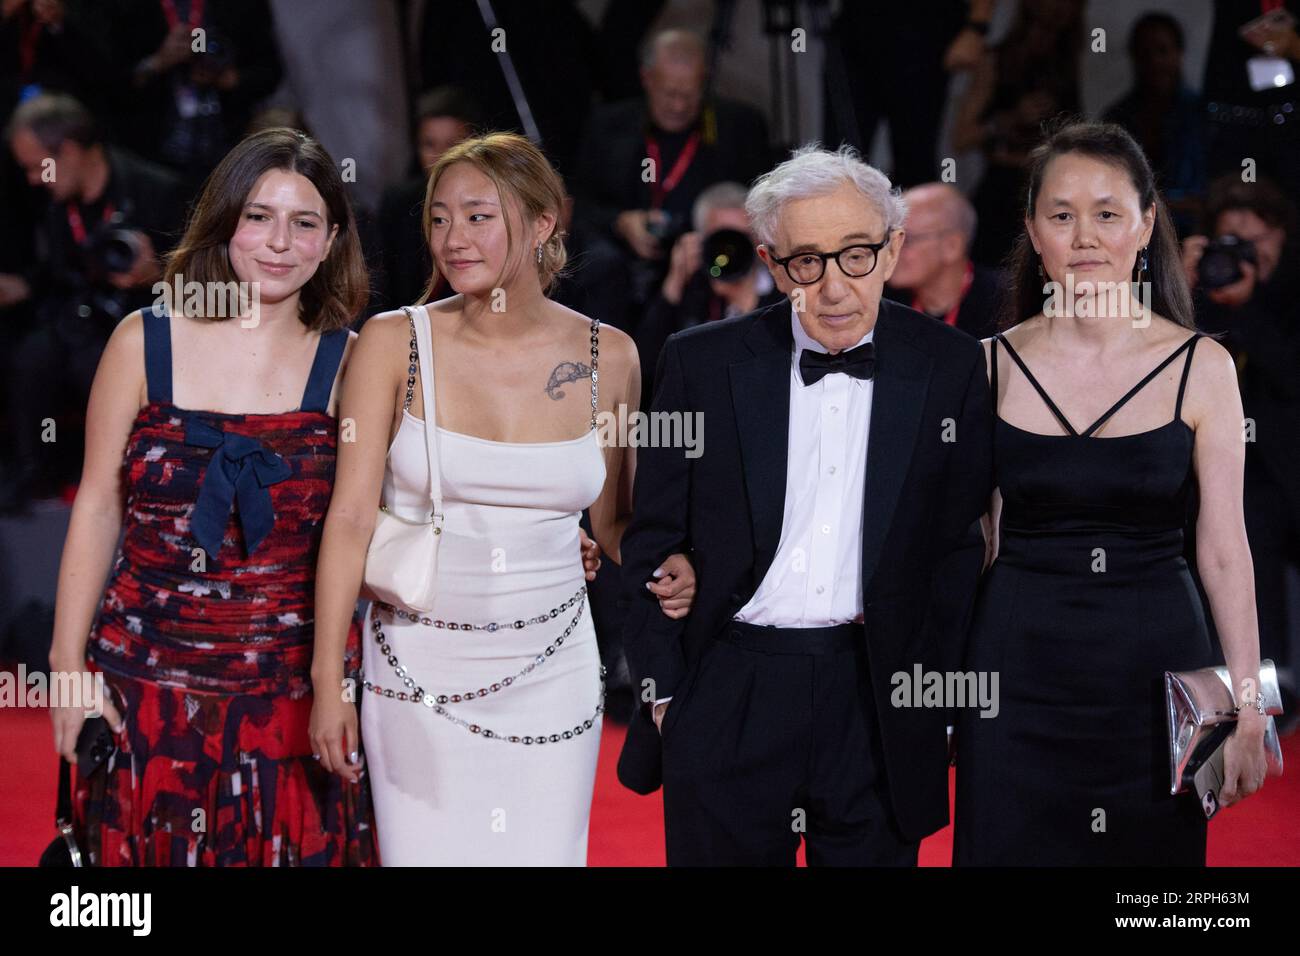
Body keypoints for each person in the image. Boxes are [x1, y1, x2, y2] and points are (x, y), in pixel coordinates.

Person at [310, 131, 694, 866]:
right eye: (440, 217)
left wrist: (668, 567)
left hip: (553, 670)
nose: (454, 238)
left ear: (544, 222)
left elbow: (614, 521)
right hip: (414, 668)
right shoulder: (393, 343)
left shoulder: (608, 354)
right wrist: (331, 681)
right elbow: (351, 517)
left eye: (478, 216)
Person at [617, 143, 993, 866]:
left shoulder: (949, 366)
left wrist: (934, 702)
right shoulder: (701, 362)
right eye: (805, 262)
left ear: (893, 251)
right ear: (770, 261)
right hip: (731, 684)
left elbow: (956, 548)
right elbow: (651, 538)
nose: (832, 287)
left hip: (877, 696)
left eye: (856, 255)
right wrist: (669, 701)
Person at [46, 127, 378, 865]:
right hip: (144, 689)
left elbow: (374, 516)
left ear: (330, 243)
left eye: (304, 223)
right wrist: (67, 670)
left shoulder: (351, 364)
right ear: (226, 221)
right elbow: (98, 503)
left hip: (290, 701)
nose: (278, 243)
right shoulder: (143, 340)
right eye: (258, 217)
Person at [953, 122, 1270, 866]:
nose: (1084, 236)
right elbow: (977, 542)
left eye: (1107, 212)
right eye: (1061, 215)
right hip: (1014, 675)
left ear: (1146, 222)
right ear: (1033, 230)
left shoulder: (1203, 366)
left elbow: (1225, 550)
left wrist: (1250, 703)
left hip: (1156, 678)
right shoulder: (988, 366)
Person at [2, 92, 185, 503]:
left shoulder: (157, 189)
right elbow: (58, 272)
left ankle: (127, 478)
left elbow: (204, 278)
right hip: (80, 313)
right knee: (33, 354)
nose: (34, 179)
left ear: (67, 151)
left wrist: (157, 274)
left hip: (143, 315)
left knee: (96, 362)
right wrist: (23, 285)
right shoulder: (54, 205)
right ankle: (36, 468)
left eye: (38, 167)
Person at [1183, 174, 1300, 725]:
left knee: (1254, 514)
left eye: (1260, 239)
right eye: (1233, 241)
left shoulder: (1287, 301)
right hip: (1205, 474)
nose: (1246, 255)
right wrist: (1175, 284)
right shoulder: (1195, 295)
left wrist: (1249, 306)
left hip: (1282, 475)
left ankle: (1268, 688)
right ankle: (1228, 689)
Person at [569, 28, 771, 331]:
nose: (678, 106)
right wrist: (621, 222)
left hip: (706, 257)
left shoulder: (740, 127)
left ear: (704, 82)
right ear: (647, 78)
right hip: (624, 262)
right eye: (669, 93)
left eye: (688, 95)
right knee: (599, 266)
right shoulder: (608, 126)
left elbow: (764, 201)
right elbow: (579, 204)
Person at [634, 181, 784, 411]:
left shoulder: (782, 291)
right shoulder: (692, 291)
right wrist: (674, 282)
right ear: (700, 241)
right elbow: (644, 372)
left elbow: (771, 373)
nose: (729, 249)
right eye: (721, 238)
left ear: (757, 240)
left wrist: (744, 300)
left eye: (740, 238)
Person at [886, 182, 1002, 339]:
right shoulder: (882, 303)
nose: (890, 249)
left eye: (907, 240)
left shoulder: (1004, 307)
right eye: (888, 237)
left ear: (952, 246)